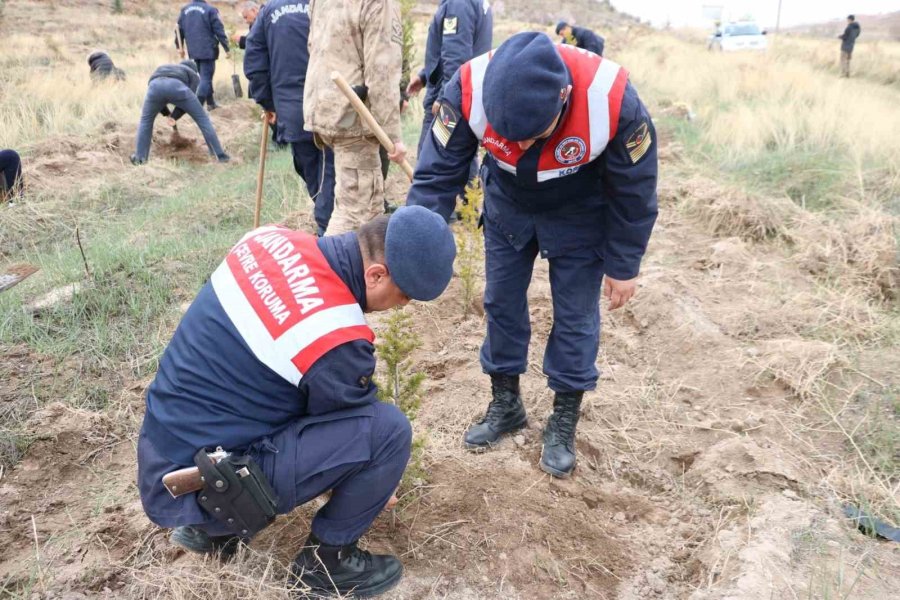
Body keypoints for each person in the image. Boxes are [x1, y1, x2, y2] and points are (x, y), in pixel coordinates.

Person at [137, 206, 456, 597]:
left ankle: (208, 532)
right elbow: (353, 431)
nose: (401, 306)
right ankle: (327, 564)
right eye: (404, 297)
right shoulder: (336, 337)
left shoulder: (268, 239)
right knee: (387, 433)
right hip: (204, 484)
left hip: (162, 449)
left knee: (270, 392)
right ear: (376, 275)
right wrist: (375, 483)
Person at [407, 32, 658, 478]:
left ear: (563, 97)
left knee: (576, 316)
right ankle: (506, 403)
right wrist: (415, 247)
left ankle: (563, 418)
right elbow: (436, 177)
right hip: (508, 205)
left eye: (533, 136)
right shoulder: (468, 88)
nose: (521, 147)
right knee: (500, 302)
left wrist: (624, 265)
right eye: (510, 136)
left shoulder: (611, 98)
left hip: (581, 210)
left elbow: (634, 191)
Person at [304, 0, 408, 235]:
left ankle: (358, 267)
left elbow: (314, 45)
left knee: (364, 207)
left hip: (326, 105)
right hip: (353, 116)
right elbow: (382, 71)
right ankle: (325, 268)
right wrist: (392, 136)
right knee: (354, 215)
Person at [244, 0, 336, 237]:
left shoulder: (268, 13)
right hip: (327, 100)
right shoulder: (325, 4)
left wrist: (268, 102)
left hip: (292, 107)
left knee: (312, 165)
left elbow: (255, 64)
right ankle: (328, 224)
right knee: (327, 166)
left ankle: (326, 226)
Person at [406, 0, 493, 164]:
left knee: (433, 164)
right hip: (465, 92)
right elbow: (460, 49)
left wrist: (444, 99)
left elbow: (456, 56)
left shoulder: (458, 4)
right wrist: (425, 75)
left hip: (451, 96)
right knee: (458, 157)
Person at [130, 60, 230, 165]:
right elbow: (188, 99)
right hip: (176, 87)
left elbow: (156, 92)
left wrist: (168, 114)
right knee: (203, 119)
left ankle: (140, 158)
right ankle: (219, 155)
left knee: (146, 121)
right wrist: (174, 116)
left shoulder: (164, 67)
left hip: (154, 87)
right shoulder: (193, 75)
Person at [176, 0, 230, 109]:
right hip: (208, 50)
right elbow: (219, 30)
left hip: (193, 50)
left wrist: (179, 46)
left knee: (204, 76)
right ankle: (197, 107)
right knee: (206, 78)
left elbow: (178, 30)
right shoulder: (210, 10)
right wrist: (227, 48)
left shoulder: (184, 10)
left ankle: (210, 103)